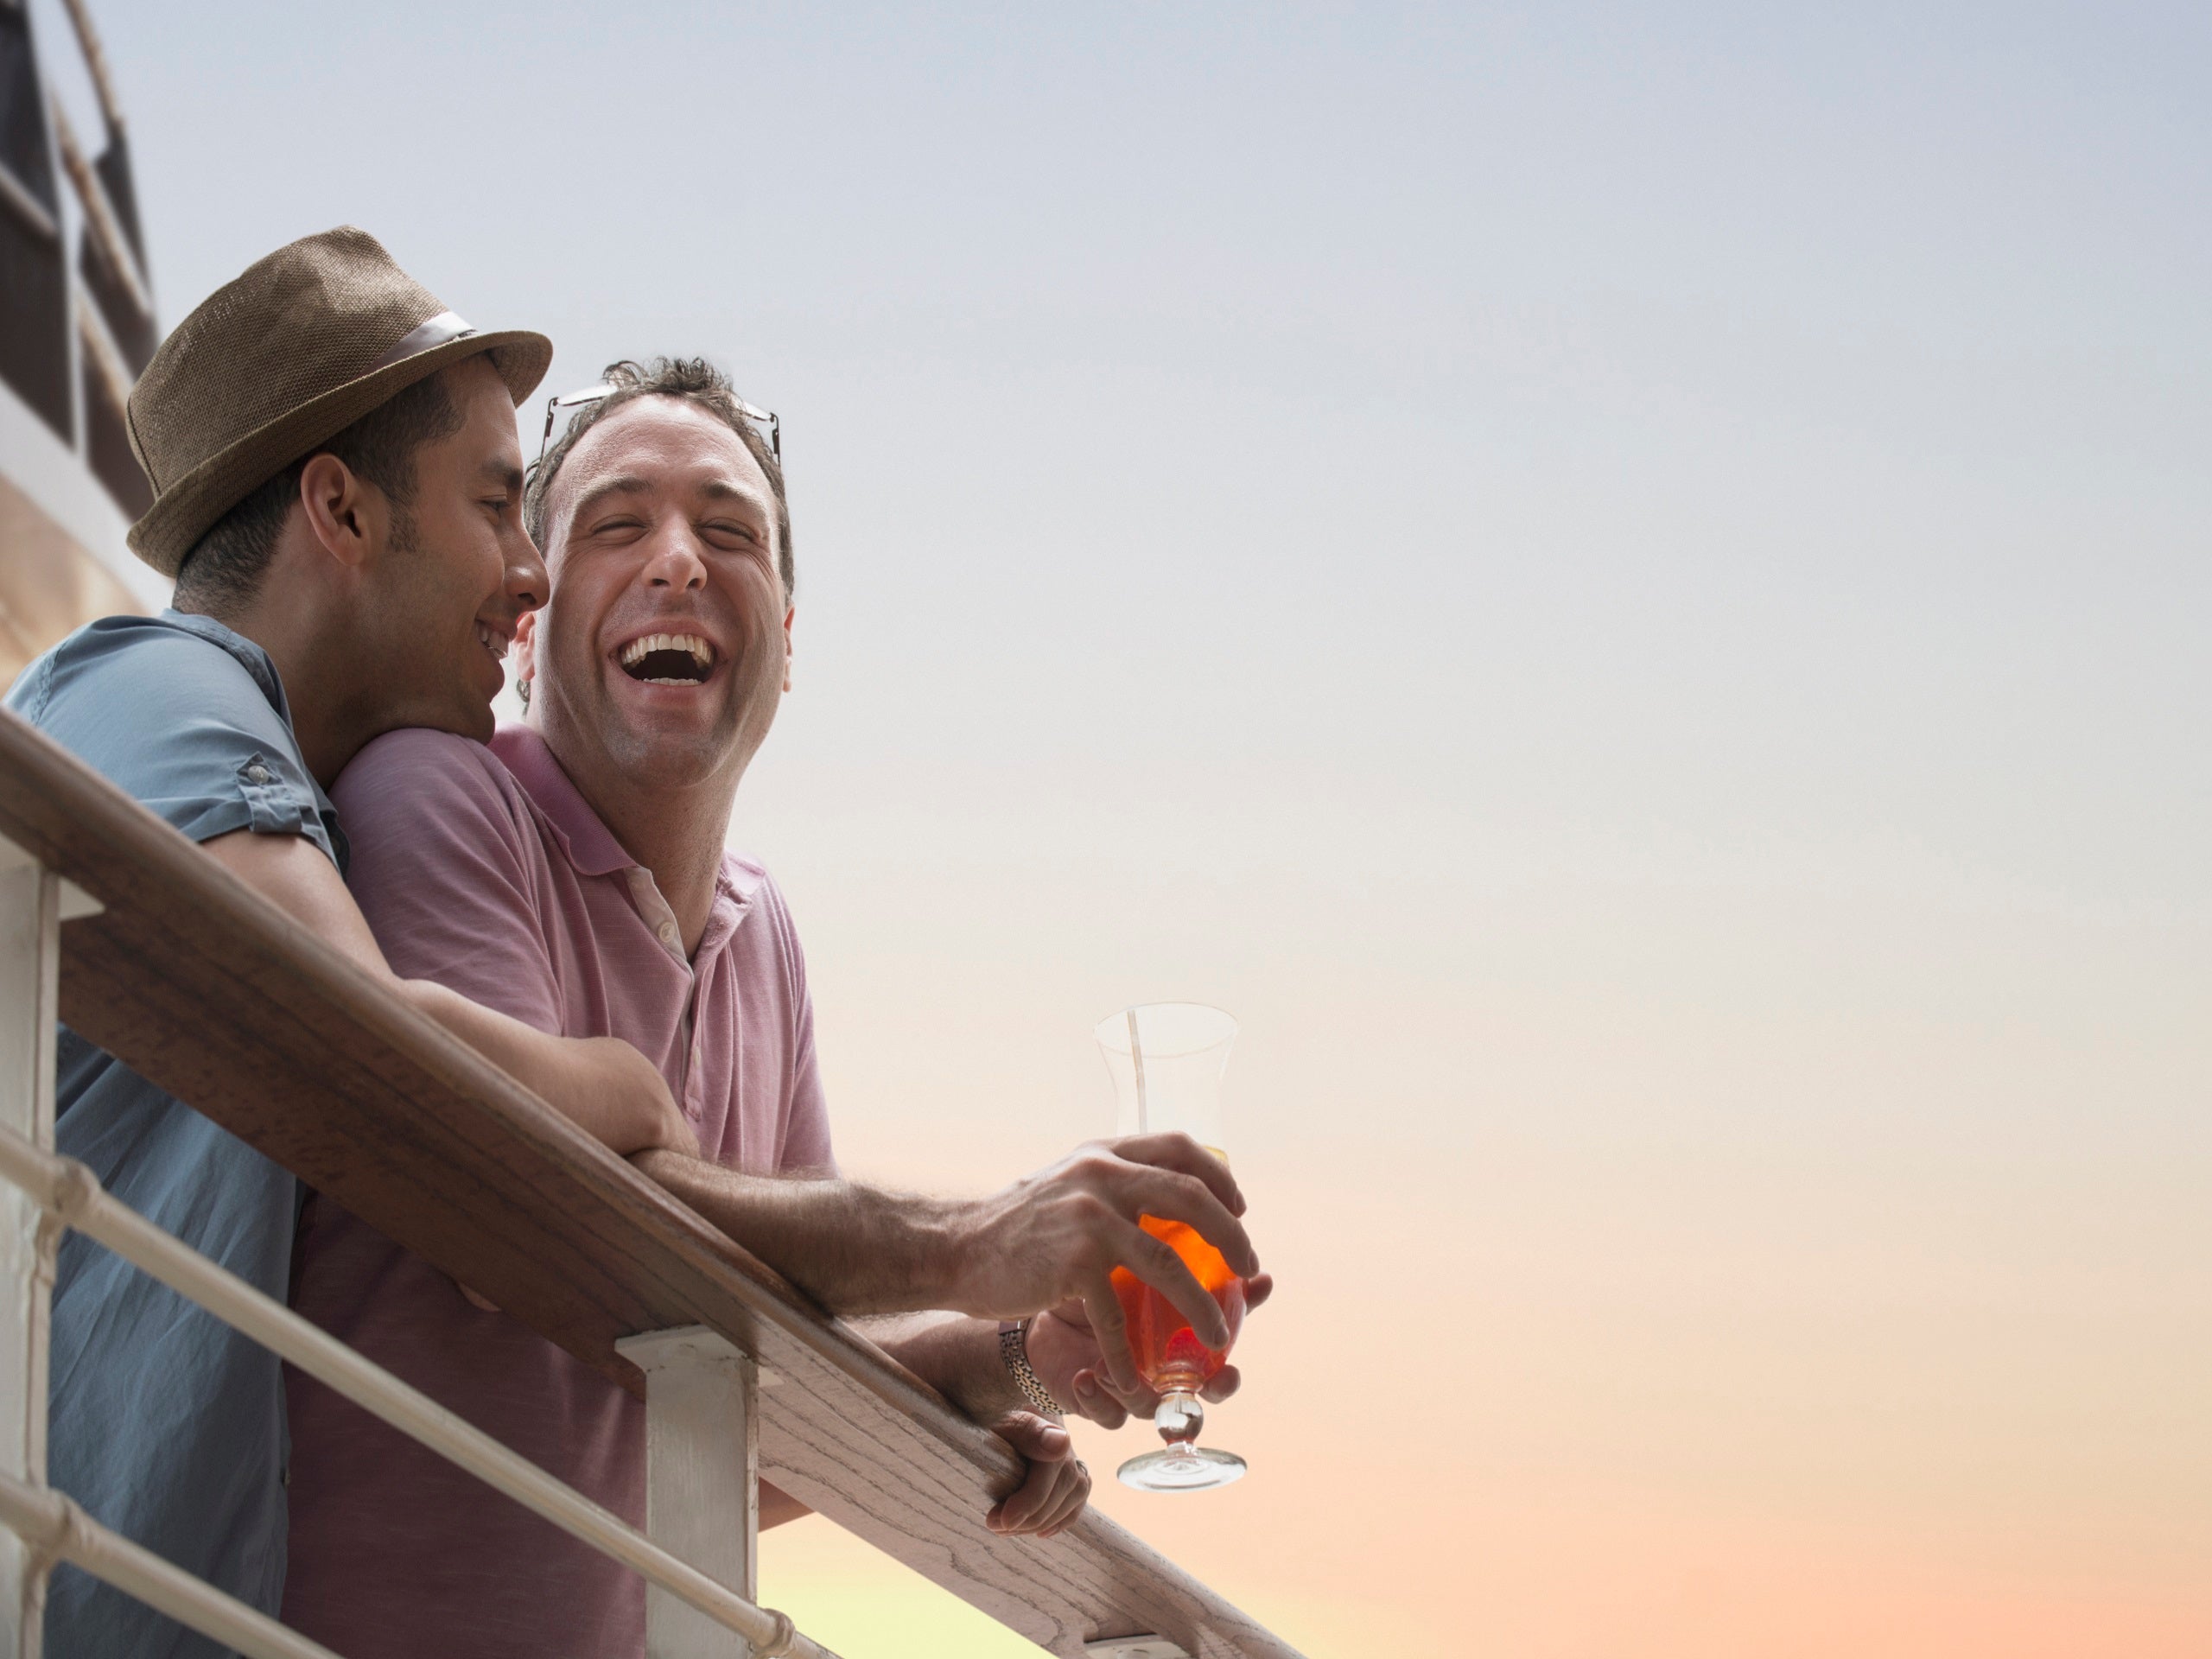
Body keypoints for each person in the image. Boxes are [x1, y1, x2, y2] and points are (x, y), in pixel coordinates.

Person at [279, 357, 1271, 1658]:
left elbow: (752, 1394)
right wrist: (974, 1238)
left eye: (730, 530)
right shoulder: (438, 796)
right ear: (526, 621)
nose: (680, 561)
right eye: (618, 525)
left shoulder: (764, 930)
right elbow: (521, 1216)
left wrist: (1014, 1360)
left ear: (788, 643)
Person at [3, 228, 704, 1658]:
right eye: (500, 506)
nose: (530, 572)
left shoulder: (259, 776)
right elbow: (366, 1058)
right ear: (342, 510)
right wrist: (623, 1086)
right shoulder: (154, 684)